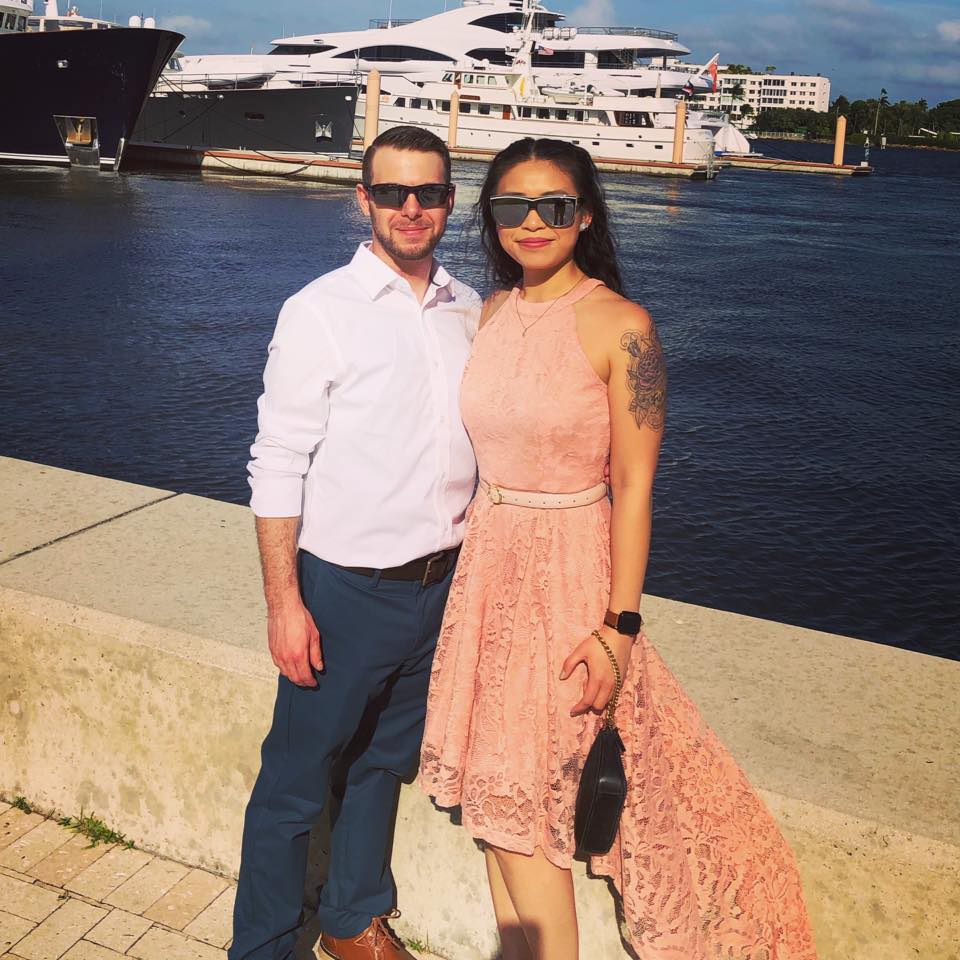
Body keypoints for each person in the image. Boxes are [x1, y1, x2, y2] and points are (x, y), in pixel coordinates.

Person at [419, 137, 818, 960]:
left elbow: (635, 486)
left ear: (586, 214)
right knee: (500, 812)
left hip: (566, 573)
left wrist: (619, 626)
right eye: (510, 207)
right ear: (490, 219)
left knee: (534, 807)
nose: (531, 223)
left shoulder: (623, 327)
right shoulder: (489, 313)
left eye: (553, 207)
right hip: (488, 567)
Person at [232, 125, 481, 960]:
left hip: (439, 585)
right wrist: (284, 604)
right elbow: (276, 463)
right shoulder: (318, 312)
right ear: (363, 198)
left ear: (452, 200)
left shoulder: (469, 308)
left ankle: (350, 918)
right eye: (393, 193)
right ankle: (261, 947)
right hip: (343, 590)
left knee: (384, 765)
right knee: (293, 789)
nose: (413, 210)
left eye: (431, 193)